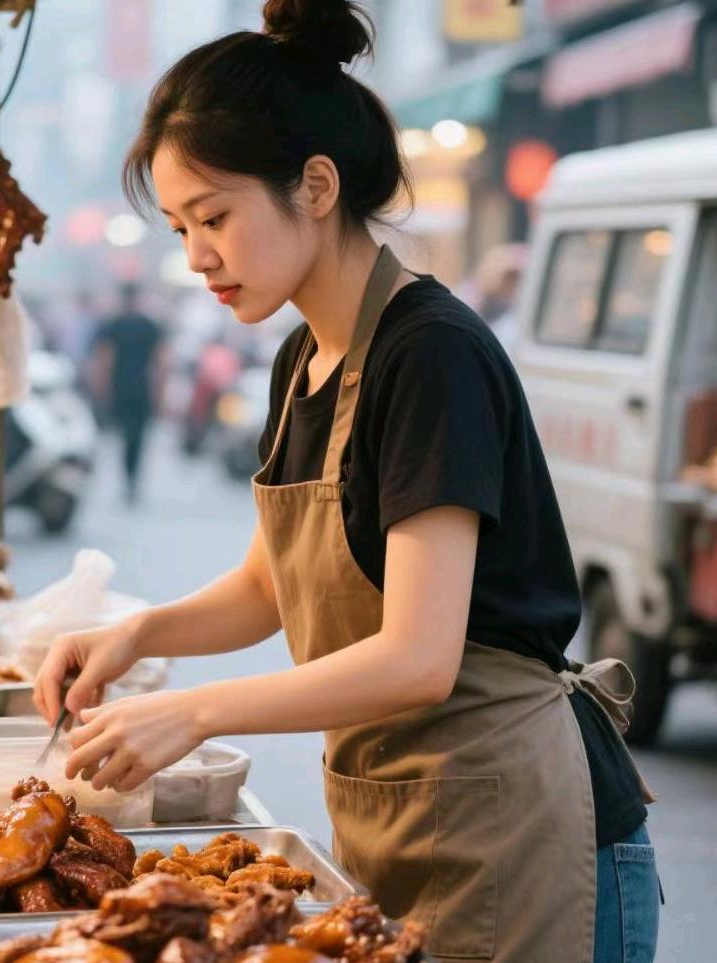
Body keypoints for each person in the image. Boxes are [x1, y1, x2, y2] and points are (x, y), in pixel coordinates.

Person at [35, 3, 659, 960]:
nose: (196, 254)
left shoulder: (429, 354)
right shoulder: (303, 356)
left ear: (315, 186)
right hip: (405, 821)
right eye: (178, 226)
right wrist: (135, 634)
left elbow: (417, 656)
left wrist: (191, 710)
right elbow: (268, 585)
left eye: (214, 217)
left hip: (521, 833)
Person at [90, 283, 166, 503]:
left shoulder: (113, 324)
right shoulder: (150, 325)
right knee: (138, 436)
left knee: (125, 434)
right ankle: (132, 477)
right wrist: (160, 393)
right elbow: (161, 363)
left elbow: (105, 359)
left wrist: (101, 389)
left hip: (120, 386)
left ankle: (128, 476)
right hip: (142, 387)